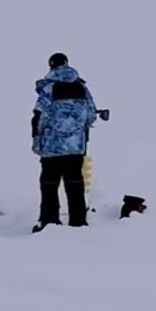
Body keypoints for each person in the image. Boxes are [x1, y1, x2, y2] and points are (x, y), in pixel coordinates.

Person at [30, 52, 99, 232]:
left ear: (51, 66)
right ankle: (78, 222)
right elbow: (91, 115)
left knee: (49, 184)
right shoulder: (82, 88)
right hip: (75, 147)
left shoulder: (49, 88)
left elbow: (39, 116)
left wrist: (37, 139)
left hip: (51, 147)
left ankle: (49, 222)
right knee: (75, 183)